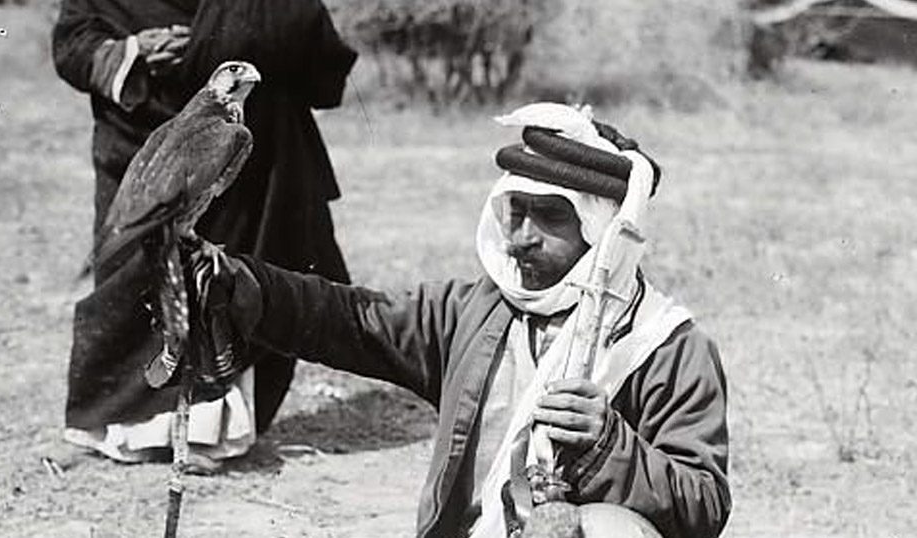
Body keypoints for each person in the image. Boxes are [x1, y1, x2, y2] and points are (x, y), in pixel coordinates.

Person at [189, 103, 731, 537]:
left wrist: (609, 445)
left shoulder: (667, 347)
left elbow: (704, 504)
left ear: (604, 228)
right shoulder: (476, 312)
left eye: (549, 217)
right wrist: (238, 283)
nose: (521, 237)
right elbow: (350, 319)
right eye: (515, 211)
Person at [51, 0, 357, 470]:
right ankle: (118, 430)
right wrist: (132, 52)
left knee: (232, 287)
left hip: (251, 160)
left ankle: (209, 433)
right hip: (142, 147)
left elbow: (319, 56)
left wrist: (243, 35)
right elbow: (73, 44)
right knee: (131, 291)